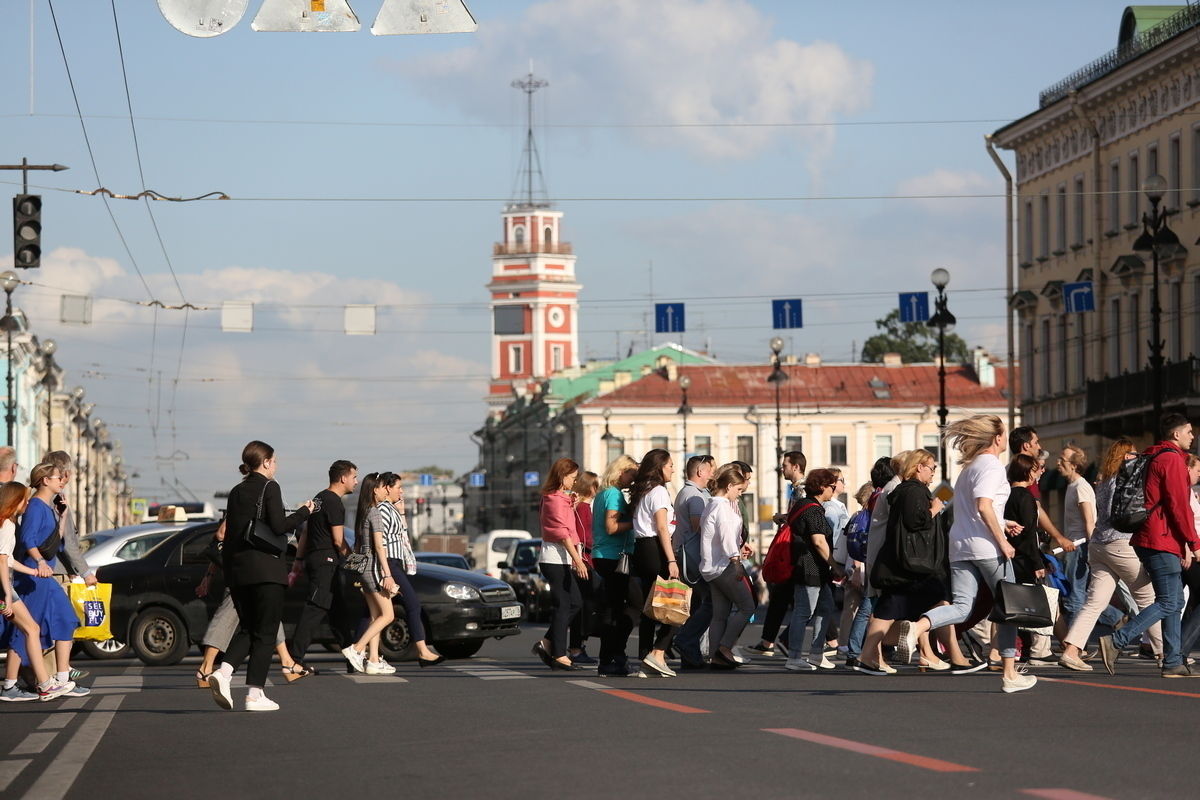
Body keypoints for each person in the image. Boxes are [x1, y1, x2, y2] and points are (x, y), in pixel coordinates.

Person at [896, 415, 1037, 693]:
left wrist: (1004, 521)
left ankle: (917, 627)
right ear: (997, 439)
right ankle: (1009, 674)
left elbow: (973, 509)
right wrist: (1003, 541)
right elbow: (984, 506)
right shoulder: (992, 466)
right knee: (1009, 608)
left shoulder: (969, 469)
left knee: (962, 607)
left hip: (960, 547)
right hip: (987, 548)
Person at [208, 441, 313, 712]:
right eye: (275, 461)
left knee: (249, 628)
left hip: (238, 572)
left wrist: (229, 572)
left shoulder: (236, 491)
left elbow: (230, 535)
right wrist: (304, 512)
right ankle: (254, 695)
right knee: (266, 632)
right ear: (265, 462)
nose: (276, 465)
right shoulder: (270, 487)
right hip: (267, 570)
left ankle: (223, 672)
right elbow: (279, 526)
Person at [1100, 414, 1199, 677]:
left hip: (1151, 536)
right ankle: (1117, 641)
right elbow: (1179, 506)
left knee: (1174, 600)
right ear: (1176, 434)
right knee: (1169, 601)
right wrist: (1193, 542)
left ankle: (1173, 661)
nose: (1193, 435)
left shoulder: (1153, 456)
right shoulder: (1171, 460)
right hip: (1160, 537)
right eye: (1189, 431)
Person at [1060, 439, 1161, 671]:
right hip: (1121, 543)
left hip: (1098, 545)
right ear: (1127, 456)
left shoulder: (1104, 482)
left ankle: (1071, 650)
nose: (1137, 458)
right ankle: (1166, 653)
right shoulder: (1126, 481)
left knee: (1094, 602)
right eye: (1134, 454)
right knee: (1148, 599)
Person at [858, 450, 948, 675]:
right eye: (931, 467)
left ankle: (921, 652)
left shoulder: (903, 489)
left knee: (895, 609)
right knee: (929, 603)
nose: (934, 472)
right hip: (904, 562)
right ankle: (871, 655)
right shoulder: (909, 490)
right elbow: (914, 521)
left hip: (899, 561)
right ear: (918, 467)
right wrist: (935, 509)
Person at [195, 520, 310, 686]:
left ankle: (287, 662)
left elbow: (223, 545)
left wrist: (209, 576)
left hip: (250, 573)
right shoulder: (245, 505)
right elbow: (221, 537)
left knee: (268, 614)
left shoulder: (247, 505)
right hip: (242, 576)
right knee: (224, 622)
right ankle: (205, 668)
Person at [8, 464, 88, 698]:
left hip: (45, 574)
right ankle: (10, 684)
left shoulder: (48, 507)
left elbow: (56, 542)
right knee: (26, 629)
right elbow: (28, 539)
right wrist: (40, 562)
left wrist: (62, 517)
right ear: (44, 480)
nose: (62, 480)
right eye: (58, 477)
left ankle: (63, 677)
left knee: (66, 618)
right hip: (34, 575)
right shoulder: (35, 507)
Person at [0, 482, 72, 701]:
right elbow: (2, 562)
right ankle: (44, 685)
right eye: (24, 499)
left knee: (30, 629)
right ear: (15, 501)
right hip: (3, 589)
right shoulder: (8, 526)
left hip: (6, 587)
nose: (28, 502)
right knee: (31, 629)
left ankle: (34, 685)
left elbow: (9, 560)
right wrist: (7, 596)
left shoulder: (7, 523)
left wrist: (33, 570)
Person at [288, 459, 357, 670]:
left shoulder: (319, 498)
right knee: (315, 609)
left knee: (338, 613)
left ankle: (353, 659)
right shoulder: (334, 502)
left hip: (316, 560)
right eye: (354, 477)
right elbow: (338, 540)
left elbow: (306, 532)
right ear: (343, 478)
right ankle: (294, 660)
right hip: (326, 562)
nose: (356, 481)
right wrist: (355, 560)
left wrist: (299, 561)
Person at [378, 473, 442, 668]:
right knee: (413, 605)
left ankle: (355, 651)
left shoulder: (393, 509)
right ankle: (423, 651)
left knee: (373, 613)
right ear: (388, 488)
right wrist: (386, 572)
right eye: (399, 487)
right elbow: (380, 542)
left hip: (396, 562)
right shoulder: (382, 510)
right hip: (389, 563)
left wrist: (402, 512)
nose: (402, 491)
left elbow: (403, 535)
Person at [748, 450, 806, 656]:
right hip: (793, 551)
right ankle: (769, 641)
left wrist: (786, 518)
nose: (782, 468)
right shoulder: (796, 489)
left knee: (810, 600)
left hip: (797, 552)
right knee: (784, 596)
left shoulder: (802, 489)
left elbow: (802, 518)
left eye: (785, 465)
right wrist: (785, 516)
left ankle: (834, 642)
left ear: (796, 467)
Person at [532, 458, 588, 671]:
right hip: (554, 559)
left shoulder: (561, 499)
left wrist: (570, 502)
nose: (574, 482)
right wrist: (578, 560)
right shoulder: (553, 500)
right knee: (564, 604)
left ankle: (547, 643)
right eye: (572, 478)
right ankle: (559, 654)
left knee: (575, 602)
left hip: (562, 559)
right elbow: (562, 533)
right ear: (561, 476)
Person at [783, 469, 841, 672]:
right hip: (810, 567)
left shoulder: (804, 505)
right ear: (822, 486)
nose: (834, 491)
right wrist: (835, 565)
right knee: (803, 612)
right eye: (832, 487)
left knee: (825, 607)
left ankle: (816, 653)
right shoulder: (813, 509)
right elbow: (818, 541)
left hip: (815, 568)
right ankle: (794, 656)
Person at [629, 449, 679, 677]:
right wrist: (671, 559)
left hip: (641, 549)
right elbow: (661, 527)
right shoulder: (658, 491)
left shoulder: (643, 490)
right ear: (659, 467)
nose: (673, 469)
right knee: (675, 601)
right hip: (655, 548)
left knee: (650, 607)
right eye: (670, 465)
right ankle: (658, 652)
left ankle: (645, 657)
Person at [700, 463, 755, 669]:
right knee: (747, 606)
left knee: (720, 614)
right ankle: (725, 648)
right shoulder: (722, 506)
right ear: (730, 486)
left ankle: (716, 655)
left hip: (711, 566)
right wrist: (736, 560)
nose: (739, 494)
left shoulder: (712, 504)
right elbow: (725, 536)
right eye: (739, 490)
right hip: (724, 565)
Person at [591, 455, 639, 677]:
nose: (633, 479)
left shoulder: (603, 493)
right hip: (613, 557)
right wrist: (636, 522)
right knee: (623, 609)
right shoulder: (613, 494)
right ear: (621, 472)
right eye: (632, 474)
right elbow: (611, 526)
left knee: (615, 609)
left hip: (606, 555)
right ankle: (611, 657)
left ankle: (613, 656)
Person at [673, 454, 715, 669]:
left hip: (690, 554)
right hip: (693, 556)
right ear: (700, 472)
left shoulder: (694, 492)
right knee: (709, 602)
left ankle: (690, 653)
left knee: (698, 604)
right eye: (710, 470)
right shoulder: (693, 494)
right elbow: (700, 526)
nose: (713, 474)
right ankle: (685, 640)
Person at [1009, 427, 1076, 556]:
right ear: (1026, 446)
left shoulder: (1011, 467)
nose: (1039, 447)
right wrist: (1059, 538)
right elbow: (1037, 508)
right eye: (1036, 442)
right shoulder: (1026, 473)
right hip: (1023, 545)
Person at [1058, 445, 1096, 627]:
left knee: (1075, 595)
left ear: (1073, 465)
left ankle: (1074, 644)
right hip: (1074, 545)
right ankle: (1116, 618)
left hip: (1080, 546)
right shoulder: (1072, 486)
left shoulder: (1081, 487)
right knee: (1078, 594)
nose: (1058, 463)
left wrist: (1091, 551)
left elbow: (1089, 521)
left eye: (1062, 460)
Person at [568, 471, 600, 664]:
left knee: (583, 605)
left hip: (583, 560)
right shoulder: (584, 509)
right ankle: (576, 648)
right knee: (585, 606)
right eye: (596, 485)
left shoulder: (577, 507)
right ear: (590, 487)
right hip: (587, 561)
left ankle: (576, 646)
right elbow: (586, 536)